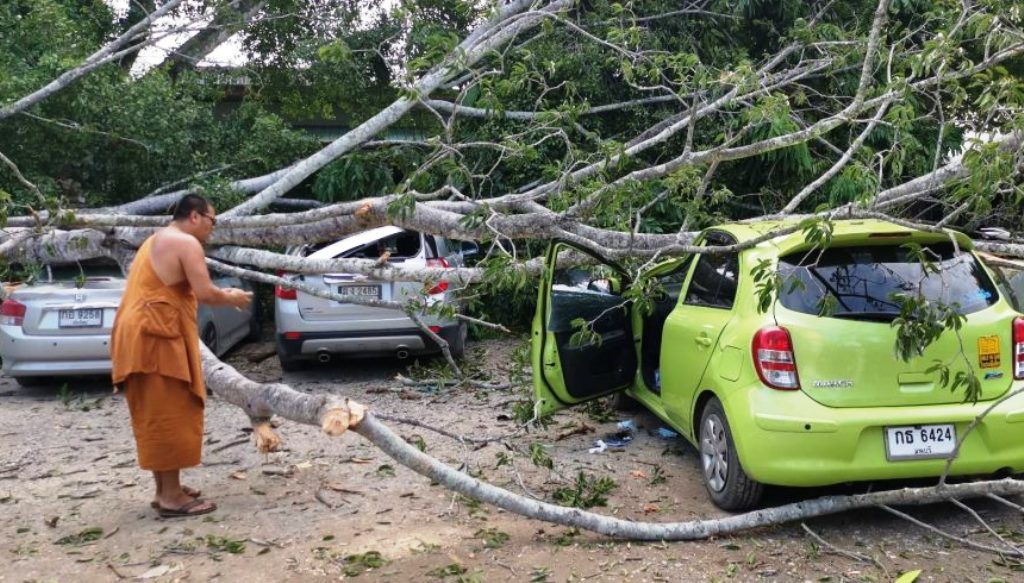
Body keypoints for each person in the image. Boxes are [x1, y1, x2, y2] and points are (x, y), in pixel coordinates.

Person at [111, 194, 252, 518]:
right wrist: (231, 296)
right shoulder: (186, 243)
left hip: (141, 335)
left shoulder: (156, 239)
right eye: (211, 220)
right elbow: (204, 292)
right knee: (170, 410)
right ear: (194, 216)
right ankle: (171, 497)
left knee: (157, 410)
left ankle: (165, 489)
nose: (211, 228)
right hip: (154, 338)